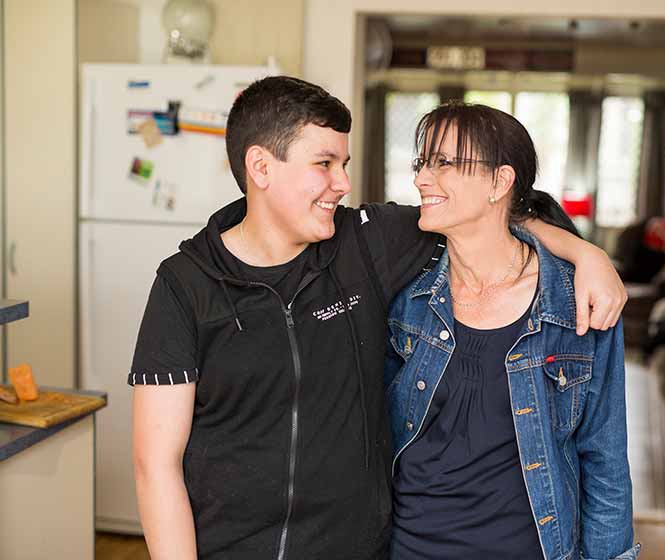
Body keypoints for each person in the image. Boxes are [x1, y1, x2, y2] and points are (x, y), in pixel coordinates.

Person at [129, 76, 627, 560]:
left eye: (342, 163)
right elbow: (156, 465)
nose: (343, 183)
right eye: (324, 163)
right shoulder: (185, 284)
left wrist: (587, 255)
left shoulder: (365, 244)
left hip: (360, 548)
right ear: (261, 166)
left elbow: (483, 215)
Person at [385, 102, 639, 560]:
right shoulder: (405, 288)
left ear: (500, 182)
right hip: (409, 547)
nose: (422, 178)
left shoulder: (576, 301)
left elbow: (605, 464)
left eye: (444, 162)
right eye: (422, 162)